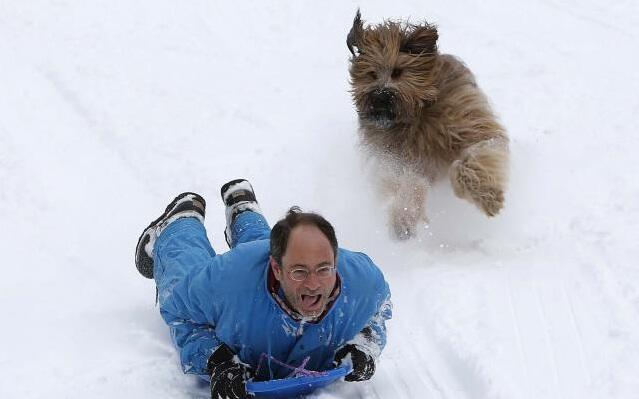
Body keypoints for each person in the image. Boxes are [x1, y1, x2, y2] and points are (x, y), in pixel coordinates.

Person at [134, 179, 392, 399]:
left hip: (266, 258)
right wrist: (215, 359)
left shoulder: (363, 282)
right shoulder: (229, 280)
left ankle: (243, 207)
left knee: (272, 246)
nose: (314, 285)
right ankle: (180, 222)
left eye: (324, 269)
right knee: (185, 275)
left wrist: (365, 344)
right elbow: (180, 312)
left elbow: (379, 310)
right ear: (277, 270)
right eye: (300, 272)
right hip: (242, 274)